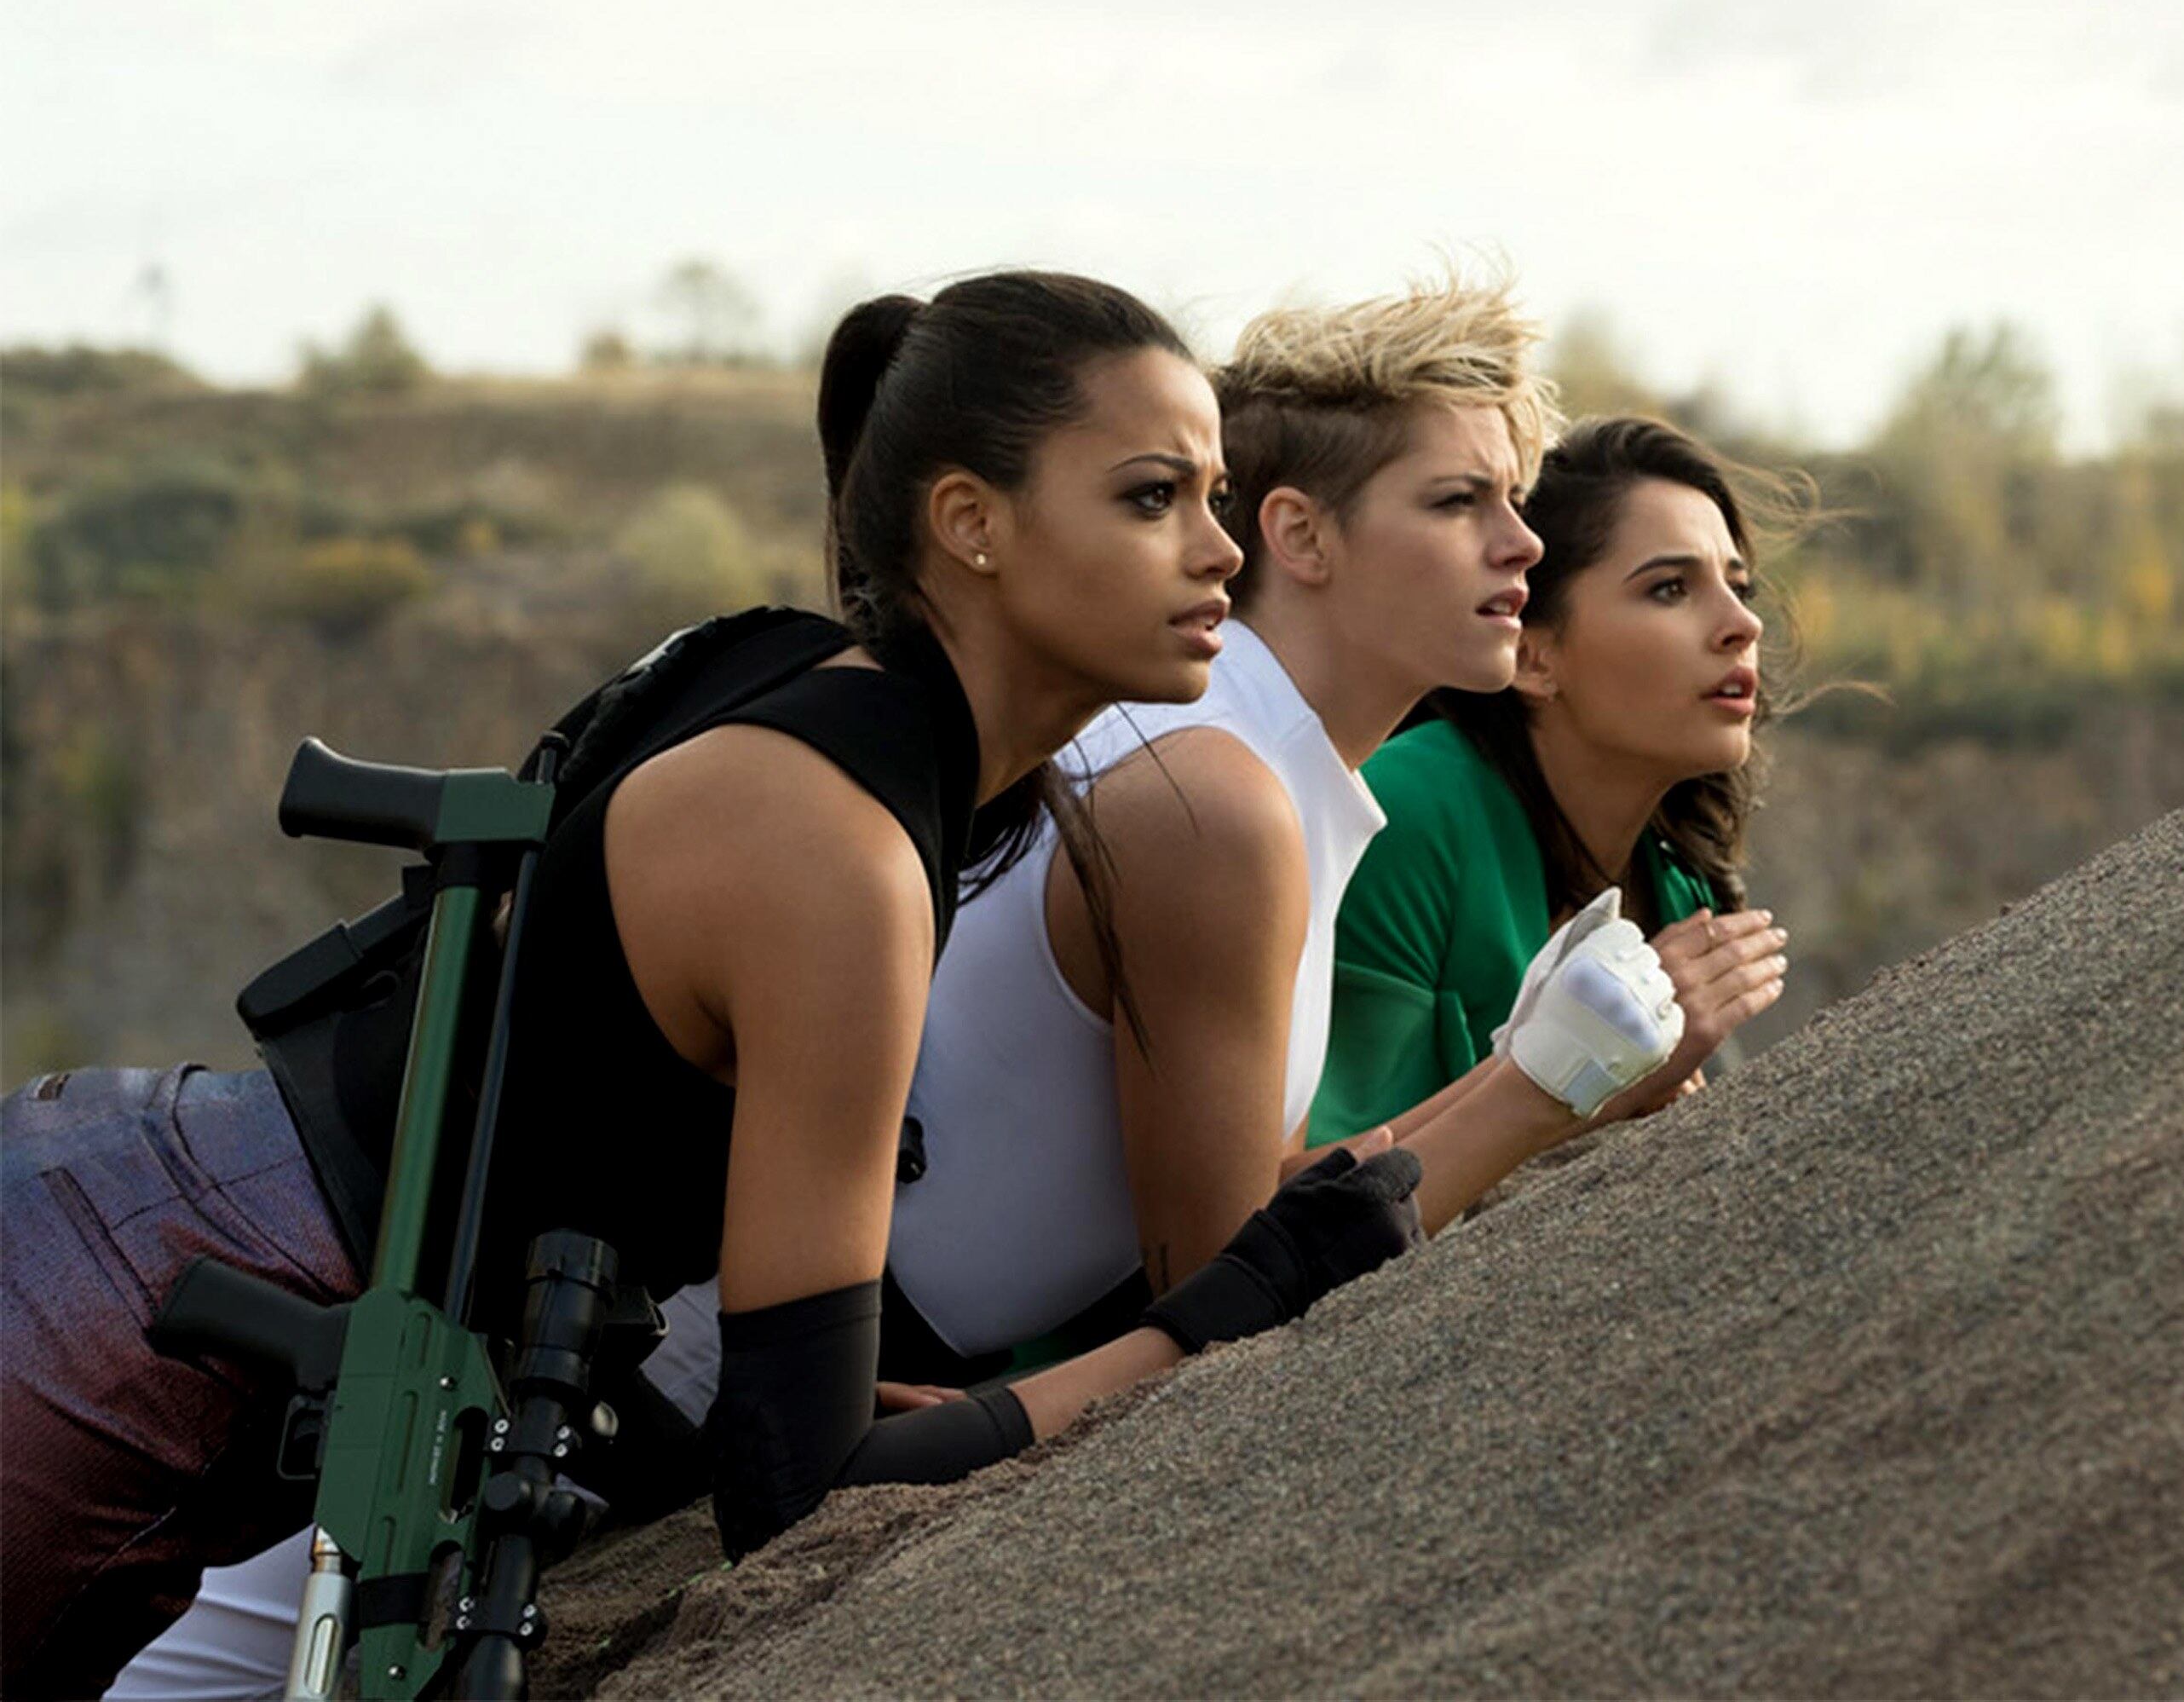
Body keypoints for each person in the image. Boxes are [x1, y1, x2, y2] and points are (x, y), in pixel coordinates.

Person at [1, 270, 1435, 1699]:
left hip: (151, 1255)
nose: (1220, 553)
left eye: (1218, 497)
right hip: (133, 1339)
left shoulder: (823, 695)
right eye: (1150, 499)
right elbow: (796, 1496)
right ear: (971, 524)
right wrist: (1226, 1307)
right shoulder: (843, 849)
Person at [875, 280, 1699, 1388]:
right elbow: (1227, 1290)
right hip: (751, 1390)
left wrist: (1527, 1068)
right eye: (1460, 502)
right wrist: (1536, 1090)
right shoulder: (1217, 791)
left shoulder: (1258, 757)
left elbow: (1262, 1189)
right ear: (1301, 534)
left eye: (1516, 500)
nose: (1523, 545)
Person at [1309, 416, 1793, 1146]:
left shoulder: (1676, 890)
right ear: (1533, 658)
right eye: (1669, 589)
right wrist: (1596, 1070)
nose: (1741, 625)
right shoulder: (1408, 812)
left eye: (1738, 587)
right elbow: (1307, 1210)